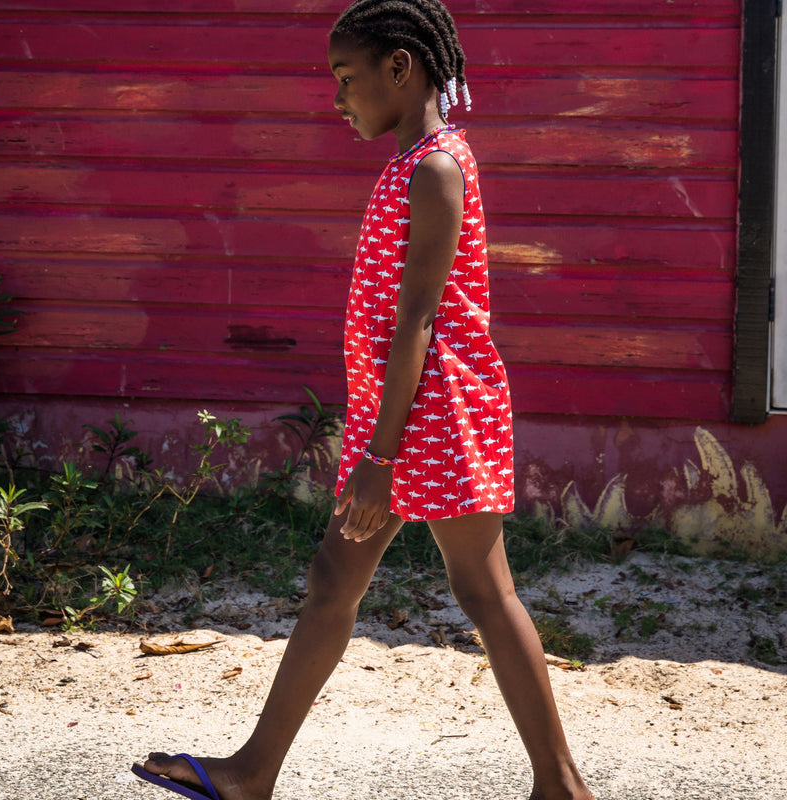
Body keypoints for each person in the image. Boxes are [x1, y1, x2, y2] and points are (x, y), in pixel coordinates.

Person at [132, 2, 595, 799]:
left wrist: (380, 456)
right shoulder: (412, 162)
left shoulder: (438, 168)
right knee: (335, 582)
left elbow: (418, 318)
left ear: (400, 67)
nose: (339, 97)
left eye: (348, 79)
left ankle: (561, 785)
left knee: (482, 590)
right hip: (406, 412)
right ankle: (253, 773)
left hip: (434, 415)